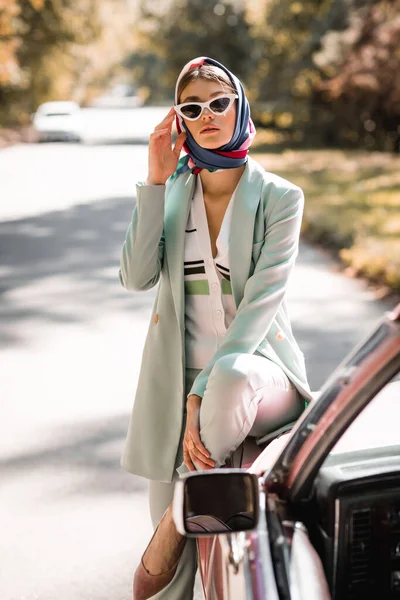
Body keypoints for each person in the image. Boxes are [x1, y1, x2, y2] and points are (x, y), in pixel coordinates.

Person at [119, 56, 313, 600]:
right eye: (192, 107)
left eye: (220, 103)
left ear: (240, 106)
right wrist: (155, 181)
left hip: (258, 375)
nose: (208, 115)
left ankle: (170, 526)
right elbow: (135, 277)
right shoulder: (175, 192)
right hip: (175, 385)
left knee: (227, 377)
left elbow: (258, 309)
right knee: (175, 586)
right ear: (180, 119)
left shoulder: (281, 198)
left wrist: (200, 397)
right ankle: (179, 519)